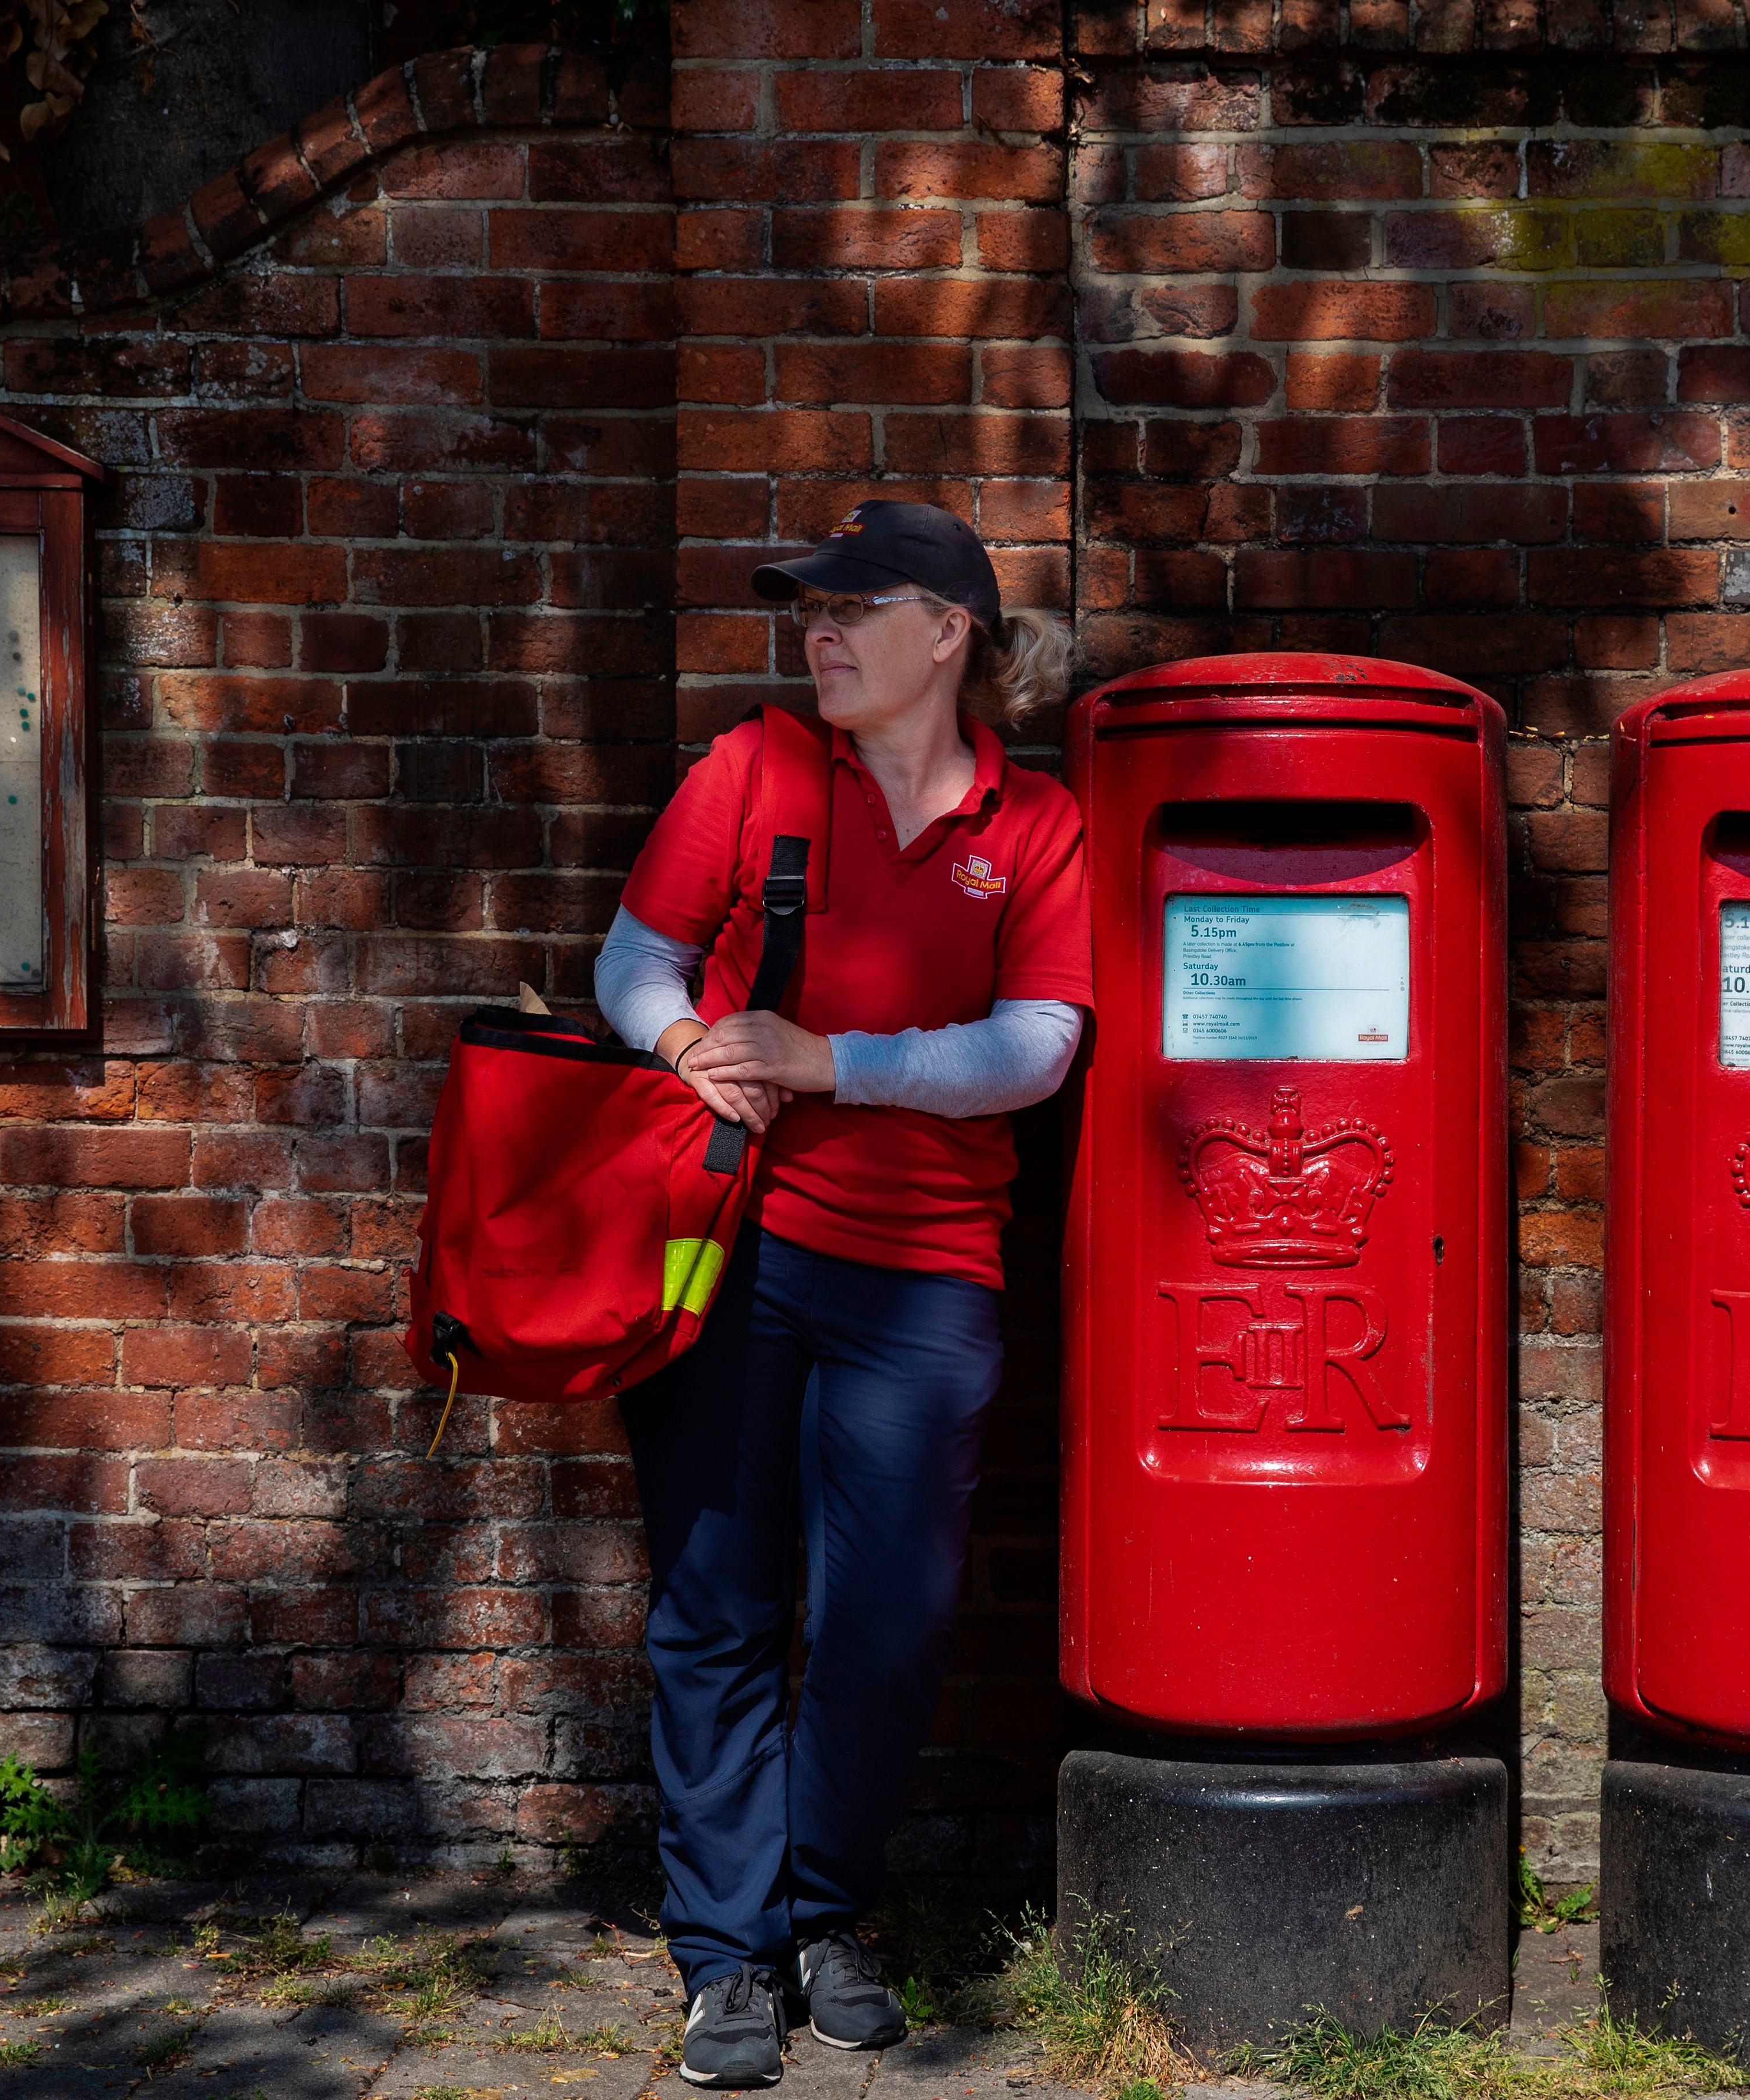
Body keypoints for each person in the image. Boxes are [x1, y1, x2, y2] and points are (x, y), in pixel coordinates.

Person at [593, 501, 1090, 2087]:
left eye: (852, 607)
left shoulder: (1037, 824)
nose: (817, 632)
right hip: (724, 1247)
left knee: (887, 1621)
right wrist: (686, 1049)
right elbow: (633, 960)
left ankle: (821, 1910)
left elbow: (1041, 1047)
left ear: (948, 632)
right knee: (719, 1603)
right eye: (806, 609)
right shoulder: (751, 769)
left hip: (928, 1277)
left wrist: (834, 1062)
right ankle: (729, 1954)